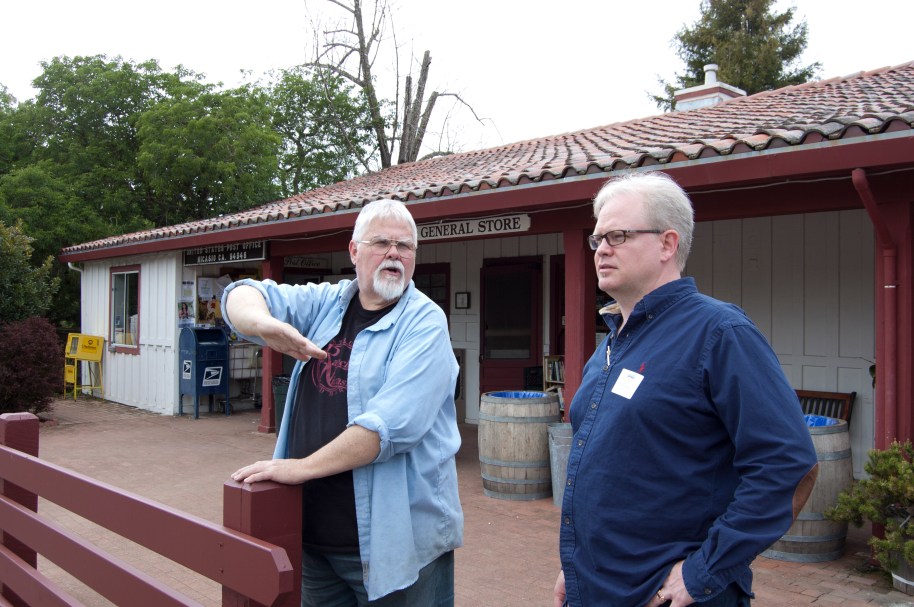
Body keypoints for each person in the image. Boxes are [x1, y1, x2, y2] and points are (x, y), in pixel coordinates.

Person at [553, 172, 819, 607]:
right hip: (596, 587)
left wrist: (703, 571)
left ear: (667, 244)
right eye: (598, 237)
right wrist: (575, 565)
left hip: (667, 595)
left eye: (618, 235)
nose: (601, 248)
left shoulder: (720, 333)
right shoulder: (612, 343)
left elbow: (788, 465)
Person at [223, 199, 463, 605]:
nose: (394, 254)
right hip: (316, 544)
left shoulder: (425, 323)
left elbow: (388, 428)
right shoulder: (329, 302)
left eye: (404, 247)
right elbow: (242, 294)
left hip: (397, 548)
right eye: (381, 243)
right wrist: (265, 325)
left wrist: (301, 468)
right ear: (354, 251)